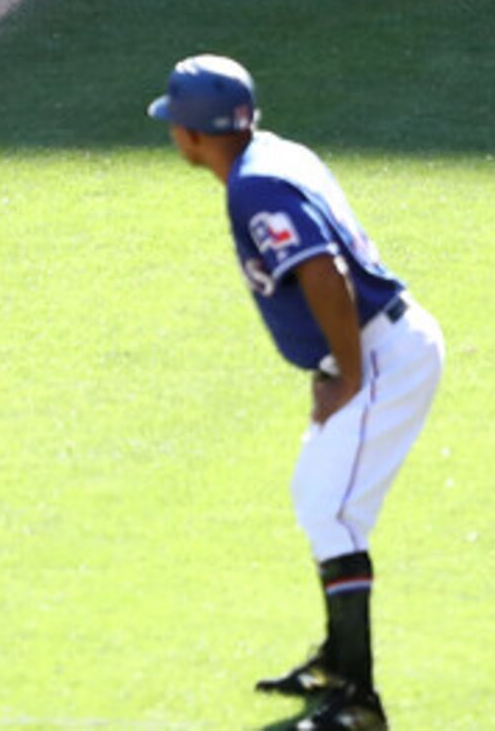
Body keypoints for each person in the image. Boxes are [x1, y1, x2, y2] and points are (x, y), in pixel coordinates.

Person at [146, 54, 444, 731]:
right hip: (379, 342)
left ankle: (358, 701)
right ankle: (337, 663)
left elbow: (322, 270)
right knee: (319, 496)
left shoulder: (253, 187)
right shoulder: (274, 154)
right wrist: (329, 365)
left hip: (381, 353)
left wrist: (345, 371)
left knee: (330, 512)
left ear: (190, 135)